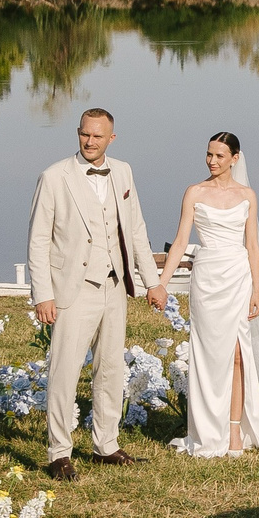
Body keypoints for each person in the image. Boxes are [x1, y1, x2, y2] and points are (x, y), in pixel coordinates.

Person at [26, 107, 162, 480]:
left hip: (115, 285)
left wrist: (152, 281)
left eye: (97, 136)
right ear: (78, 133)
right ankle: (59, 453)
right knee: (64, 371)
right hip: (72, 288)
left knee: (111, 368)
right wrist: (43, 294)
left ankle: (106, 445)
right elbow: (38, 241)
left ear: (111, 138)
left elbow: (136, 229)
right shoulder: (54, 177)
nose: (90, 141)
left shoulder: (123, 171)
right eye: (85, 134)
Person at [162, 131, 259, 458]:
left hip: (238, 277)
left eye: (219, 156)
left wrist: (257, 290)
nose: (212, 161)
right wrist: (162, 283)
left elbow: (252, 245)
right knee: (208, 355)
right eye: (209, 154)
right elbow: (180, 242)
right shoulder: (194, 192)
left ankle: (234, 431)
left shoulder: (247, 195)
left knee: (237, 354)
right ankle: (207, 431)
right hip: (206, 278)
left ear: (235, 158)